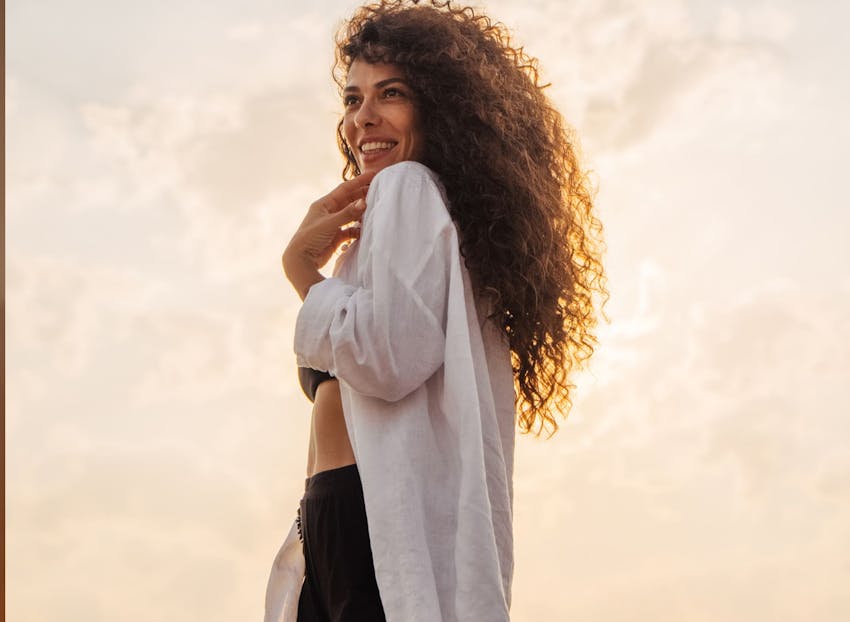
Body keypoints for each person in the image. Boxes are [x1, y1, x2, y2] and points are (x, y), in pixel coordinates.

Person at [265, 1, 608, 620]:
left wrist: (298, 269)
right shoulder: (433, 222)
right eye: (351, 99)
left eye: (390, 93)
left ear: (439, 107)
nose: (362, 118)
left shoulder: (409, 189)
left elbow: (389, 358)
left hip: (363, 521)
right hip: (342, 517)